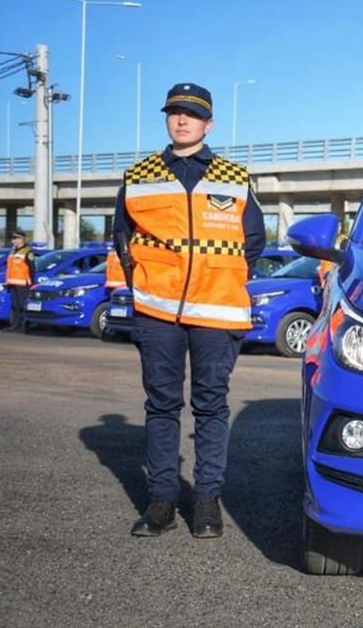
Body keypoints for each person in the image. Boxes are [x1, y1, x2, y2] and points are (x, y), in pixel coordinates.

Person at [114, 83, 265, 539]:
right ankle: (161, 501)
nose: (182, 120)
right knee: (161, 405)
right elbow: (122, 241)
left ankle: (205, 502)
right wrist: (148, 283)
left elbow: (252, 242)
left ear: (208, 123)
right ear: (167, 119)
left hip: (217, 311)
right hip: (157, 312)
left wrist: (218, 278)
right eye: (174, 112)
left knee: (210, 407)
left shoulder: (235, 177)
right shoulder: (138, 175)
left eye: (192, 114)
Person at [4, 229, 37, 332]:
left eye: (15, 238)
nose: (13, 240)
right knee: (15, 305)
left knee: (22, 305)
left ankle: (23, 326)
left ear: (22, 239)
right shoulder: (12, 251)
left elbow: (32, 268)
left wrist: (32, 282)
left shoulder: (28, 251)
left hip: (22, 283)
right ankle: (15, 325)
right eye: (12, 238)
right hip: (12, 282)